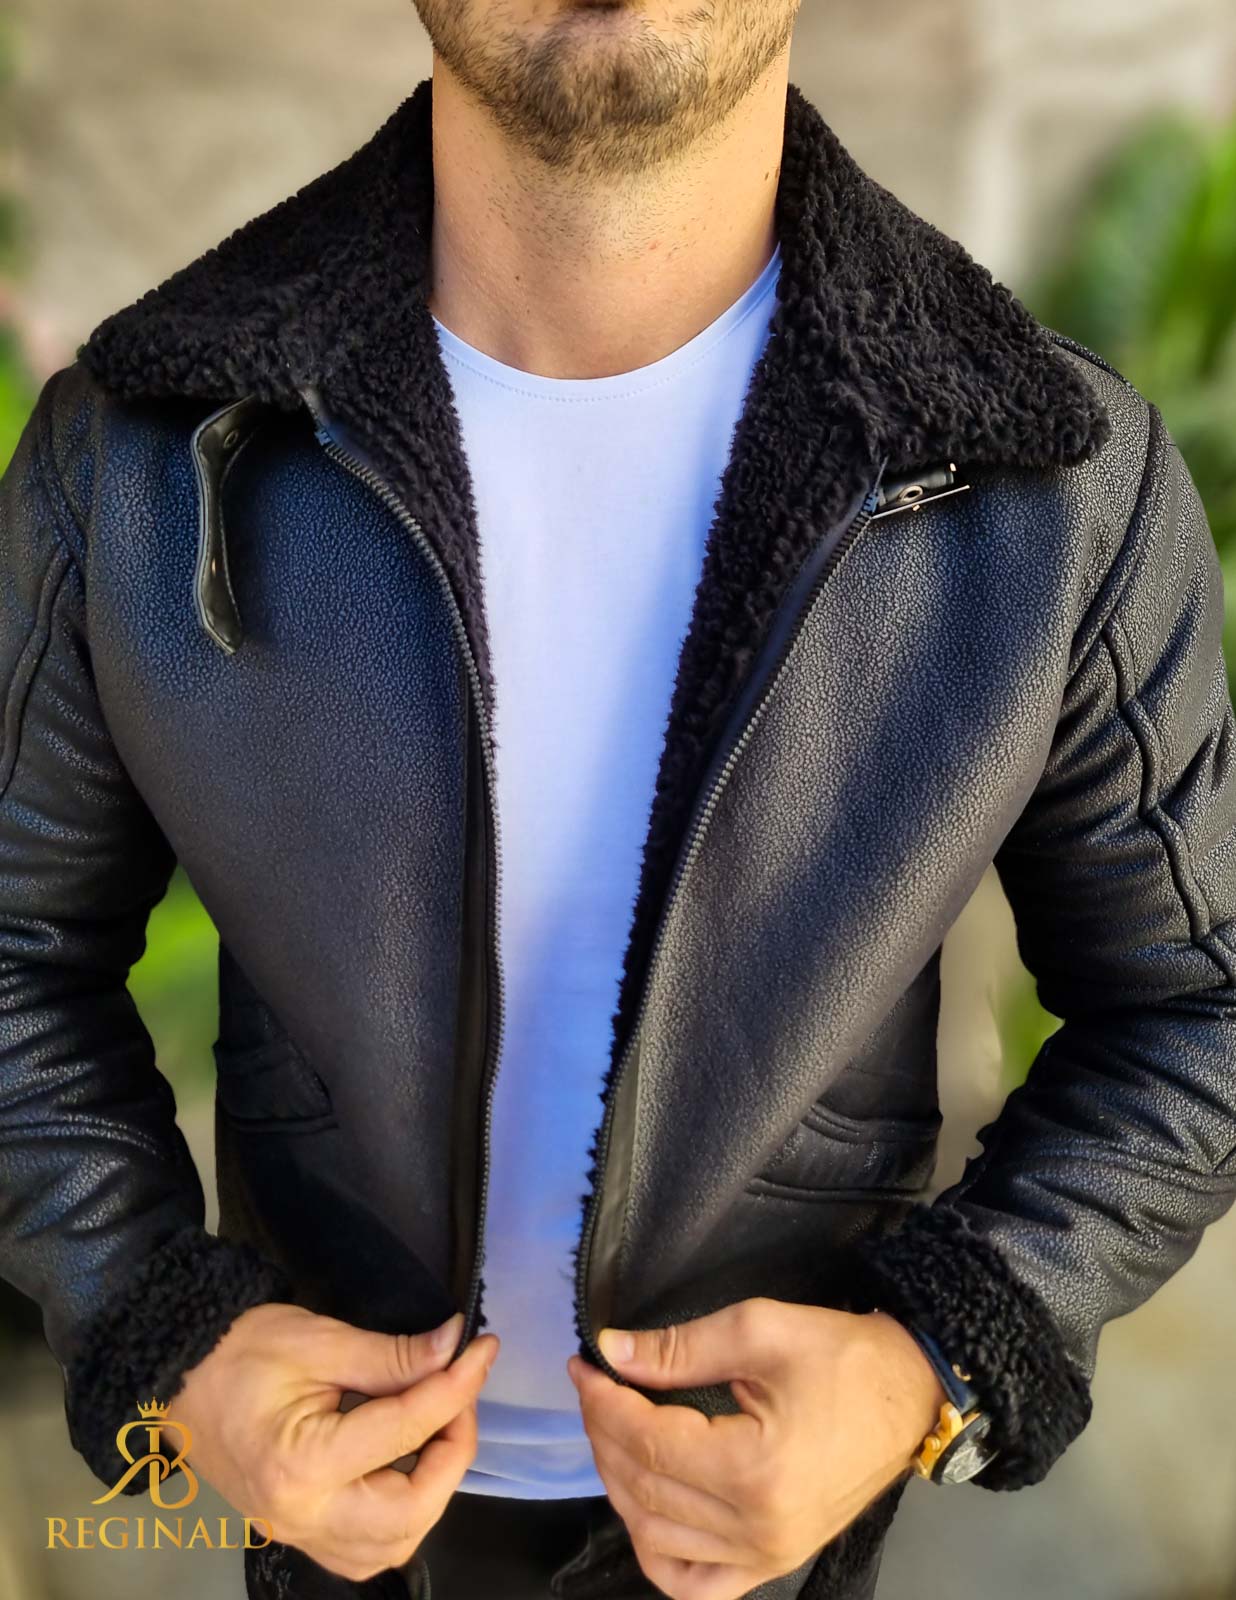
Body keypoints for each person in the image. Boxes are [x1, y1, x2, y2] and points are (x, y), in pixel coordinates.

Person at [2, 2, 1234, 1597]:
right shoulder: (138, 451)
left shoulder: (1059, 482)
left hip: (778, 1559)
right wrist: (162, 1330)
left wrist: (931, 1364)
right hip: (332, 1551)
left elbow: (1198, 1008)